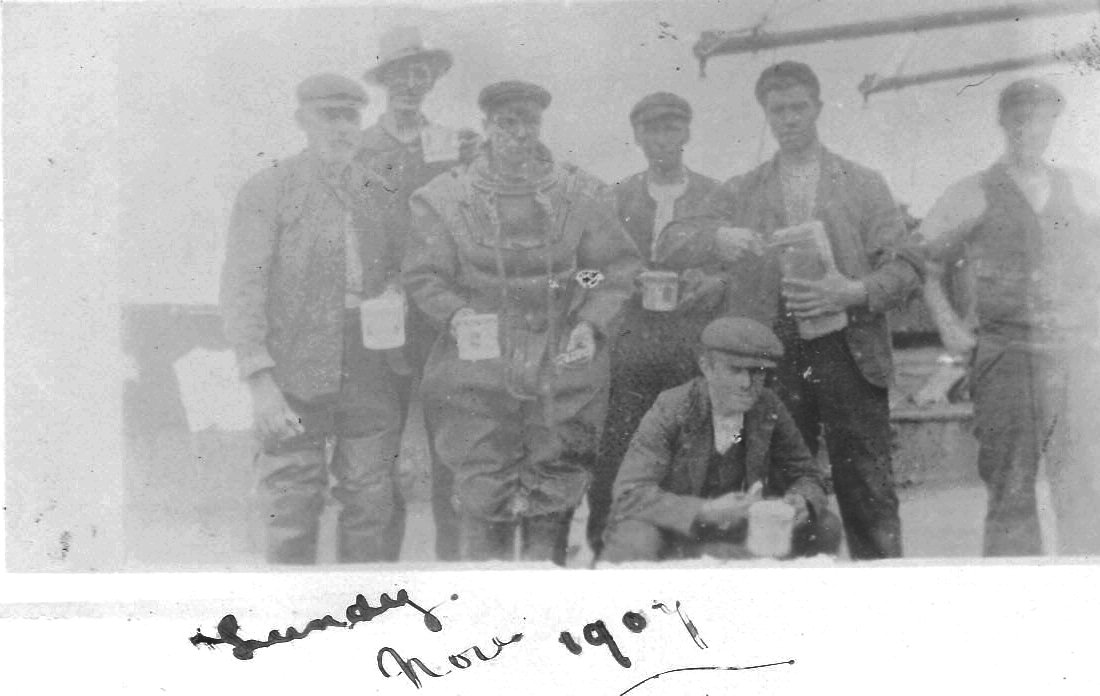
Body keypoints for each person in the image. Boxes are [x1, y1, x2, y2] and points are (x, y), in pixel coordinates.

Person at [657, 61, 921, 560]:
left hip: (849, 353)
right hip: (774, 361)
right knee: (778, 491)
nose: (789, 119)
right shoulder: (743, 189)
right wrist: (719, 235)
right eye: (777, 110)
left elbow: (906, 266)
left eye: (799, 107)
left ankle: (887, 602)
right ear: (766, 115)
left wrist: (853, 291)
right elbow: (673, 240)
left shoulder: (863, 183)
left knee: (867, 488)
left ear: (818, 109)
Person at [403, 80, 642, 565]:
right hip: (477, 351)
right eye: (506, 123)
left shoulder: (581, 193)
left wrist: (589, 318)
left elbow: (608, 269)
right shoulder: (445, 198)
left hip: (560, 351)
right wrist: (456, 312)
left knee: (554, 480)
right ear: (487, 127)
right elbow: (426, 273)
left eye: (527, 122)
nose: (518, 133)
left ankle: (543, 598)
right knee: (480, 481)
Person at [220, 74, 404, 564]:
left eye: (351, 117)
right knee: (290, 510)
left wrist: (395, 290)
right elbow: (242, 290)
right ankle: (289, 627)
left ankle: (365, 622)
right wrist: (260, 383)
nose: (342, 128)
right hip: (295, 369)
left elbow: (404, 266)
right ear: (303, 120)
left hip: (369, 368)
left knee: (369, 506)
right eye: (330, 116)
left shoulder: (378, 191)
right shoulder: (268, 190)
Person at [917, 78, 1100, 556]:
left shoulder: (1080, 187)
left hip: (1073, 356)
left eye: (1040, 118)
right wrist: (949, 324)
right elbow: (924, 260)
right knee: (1011, 487)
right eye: (1019, 118)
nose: (1029, 129)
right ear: (1003, 123)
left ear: (1053, 123)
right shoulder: (974, 191)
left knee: (1082, 484)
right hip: (1006, 354)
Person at [587, 92, 737, 557]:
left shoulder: (717, 194)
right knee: (619, 444)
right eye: (651, 130)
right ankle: (606, 543)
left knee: (692, 441)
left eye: (672, 128)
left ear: (687, 133)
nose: (662, 140)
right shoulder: (616, 197)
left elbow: (740, 269)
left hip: (692, 341)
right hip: (632, 343)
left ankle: (689, 547)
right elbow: (590, 268)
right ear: (636, 136)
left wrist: (713, 282)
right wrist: (623, 281)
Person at [358, 26, 480, 561]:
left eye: (420, 73)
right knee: (379, 450)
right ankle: (377, 588)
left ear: (431, 79)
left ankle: (454, 579)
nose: (411, 82)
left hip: (437, 313)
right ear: (385, 80)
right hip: (378, 313)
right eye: (400, 73)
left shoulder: (453, 143)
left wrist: (478, 160)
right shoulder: (361, 148)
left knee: (449, 446)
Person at [601, 317, 841, 562]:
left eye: (757, 372)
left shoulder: (767, 406)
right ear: (706, 366)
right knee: (635, 537)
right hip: (674, 530)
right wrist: (704, 511)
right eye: (735, 370)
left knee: (824, 525)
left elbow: (808, 475)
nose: (746, 383)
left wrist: (803, 500)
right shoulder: (672, 408)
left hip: (740, 528)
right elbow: (628, 493)